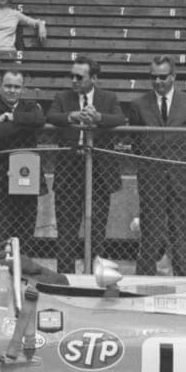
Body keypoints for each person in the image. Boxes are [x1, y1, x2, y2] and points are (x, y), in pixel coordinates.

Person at [129, 56, 186, 277]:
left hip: (183, 179)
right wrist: (148, 165)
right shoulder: (138, 105)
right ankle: (142, 283)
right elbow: (136, 143)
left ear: (173, 76)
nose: (158, 82)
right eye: (153, 77)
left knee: (180, 238)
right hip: (151, 179)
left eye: (163, 77)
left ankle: (183, 282)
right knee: (150, 237)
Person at [46, 56, 127, 273]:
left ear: (94, 78)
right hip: (69, 171)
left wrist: (99, 118)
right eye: (72, 76)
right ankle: (65, 277)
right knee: (66, 231)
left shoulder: (108, 98)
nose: (74, 80)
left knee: (97, 230)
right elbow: (51, 116)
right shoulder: (62, 97)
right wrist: (72, 116)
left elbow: (120, 119)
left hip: (100, 173)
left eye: (79, 77)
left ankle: (93, 275)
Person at [0, 69, 48, 254]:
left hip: (26, 175)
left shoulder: (30, 105)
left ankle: (21, 268)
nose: (12, 90)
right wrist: (25, 126)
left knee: (25, 228)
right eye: (8, 86)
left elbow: (40, 119)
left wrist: (10, 118)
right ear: (0, 86)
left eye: (16, 87)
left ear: (22, 88)